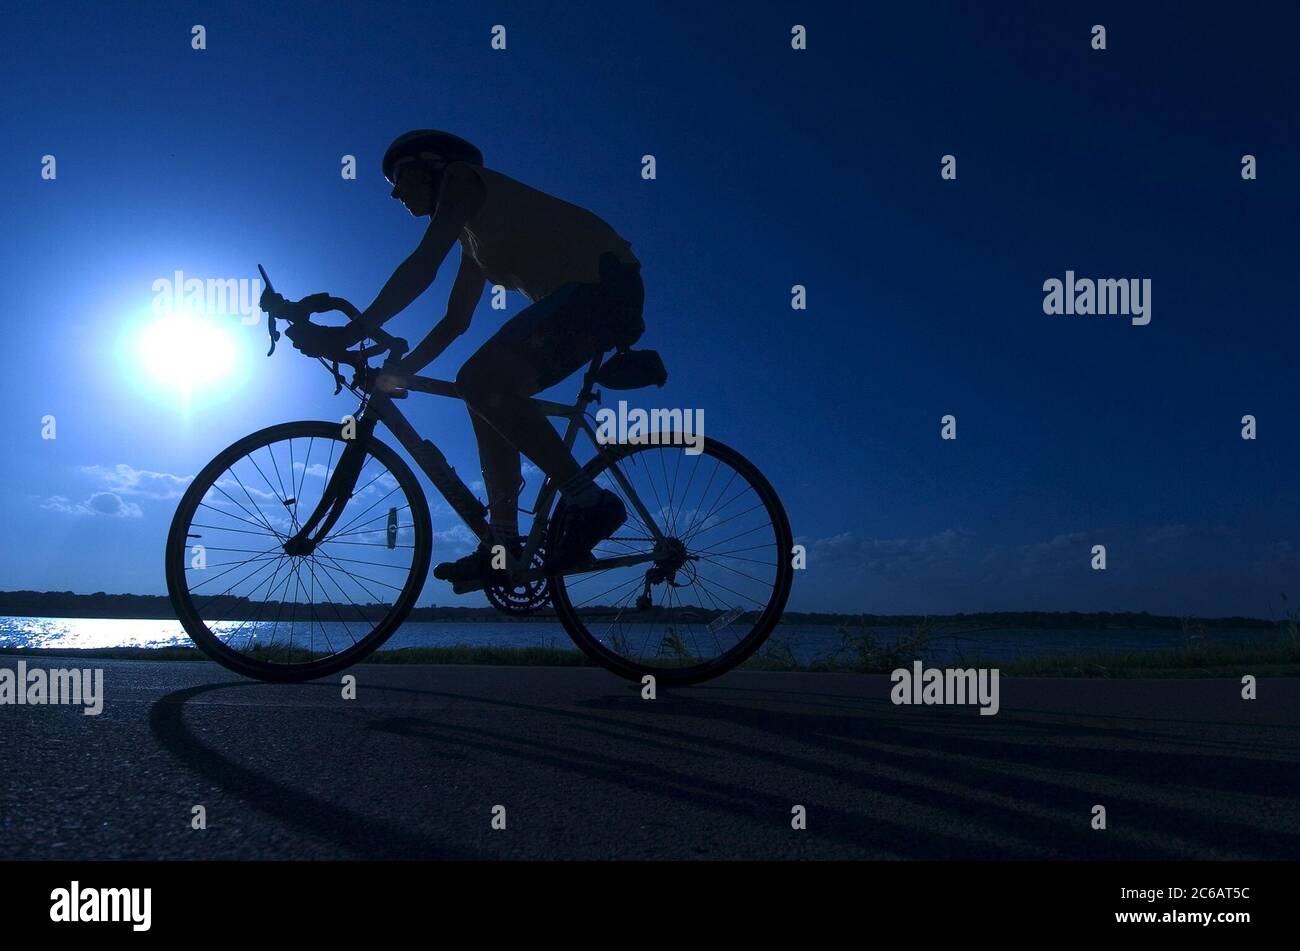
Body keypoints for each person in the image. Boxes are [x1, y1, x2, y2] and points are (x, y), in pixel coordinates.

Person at [283, 130, 643, 589]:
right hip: (583, 300)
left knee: (479, 381)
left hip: (603, 288)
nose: (394, 192)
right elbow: (456, 320)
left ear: (431, 165)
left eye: (398, 177)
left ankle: (590, 502)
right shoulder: (474, 242)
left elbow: (422, 264)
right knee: (486, 397)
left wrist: (350, 333)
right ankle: (504, 545)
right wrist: (404, 370)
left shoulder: (462, 179)